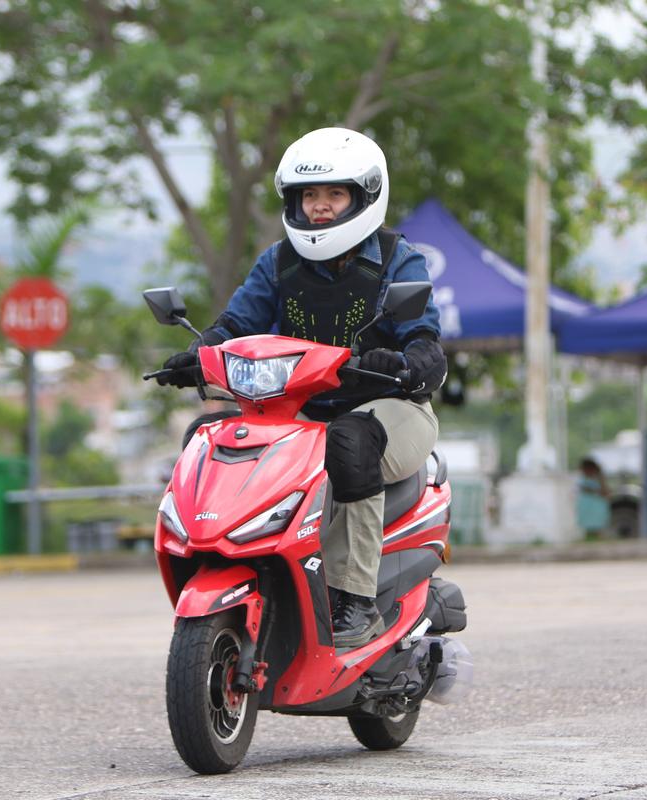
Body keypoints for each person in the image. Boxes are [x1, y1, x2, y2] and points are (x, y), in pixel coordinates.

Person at [158, 127, 446, 649]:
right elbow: (235, 324)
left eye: (334, 195)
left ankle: (354, 599)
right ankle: (222, 561)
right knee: (209, 435)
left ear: (363, 196)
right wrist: (199, 356)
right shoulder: (278, 262)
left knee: (350, 440)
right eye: (309, 196)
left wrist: (406, 362)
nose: (320, 207)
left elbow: (426, 341)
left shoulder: (397, 258)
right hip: (298, 414)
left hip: (388, 410)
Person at [576, 458, 610, 538]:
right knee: (588, 527)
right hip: (587, 506)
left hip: (597, 506)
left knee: (597, 527)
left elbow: (605, 492)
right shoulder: (582, 479)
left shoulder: (599, 479)